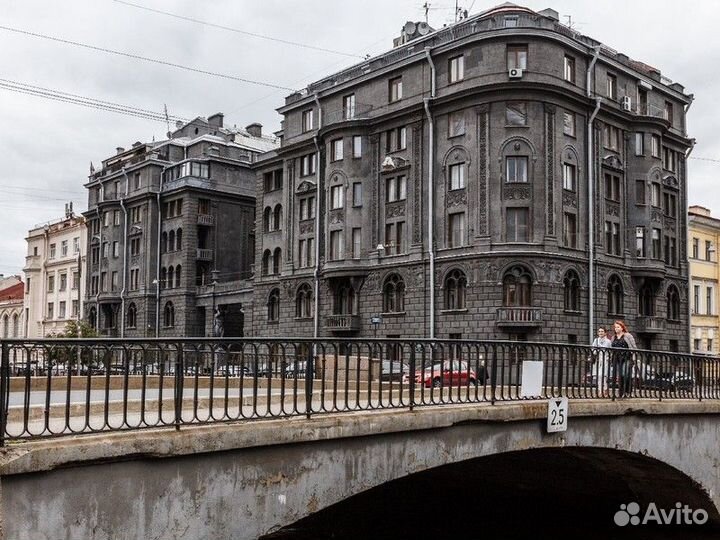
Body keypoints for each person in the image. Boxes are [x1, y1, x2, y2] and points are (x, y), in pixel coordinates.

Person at [610, 320, 637, 398]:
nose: (616, 329)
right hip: (616, 358)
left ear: (622, 328)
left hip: (627, 357)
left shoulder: (627, 335)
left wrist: (634, 358)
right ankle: (621, 392)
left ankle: (628, 392)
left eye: (618, 327)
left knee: (625, 374)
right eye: (615, 327)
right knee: (620, 376)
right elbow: (612, 348)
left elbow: (634, 347)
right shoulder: (613, 337)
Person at [591, 326, 612, 397]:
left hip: (605, 360)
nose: (600, 333)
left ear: (605, 333)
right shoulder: (596, 340)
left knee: (604, 376)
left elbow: (610, 351)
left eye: (602, 331)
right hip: (598, 360)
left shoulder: (608, 341)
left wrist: (609, 358)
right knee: (599, 376)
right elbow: (593, 349)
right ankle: (600, 390)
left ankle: (605, 389)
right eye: (599, 331)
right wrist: (595, 351)